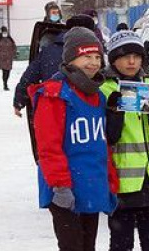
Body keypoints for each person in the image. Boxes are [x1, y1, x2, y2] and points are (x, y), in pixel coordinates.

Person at [30, 26, 119, 251]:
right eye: (85, 57)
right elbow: (48, 146)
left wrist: (110, 183)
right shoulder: (54, 93)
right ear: (70, 59)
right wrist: (59, 185)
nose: (93, 62)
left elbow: (102, 146)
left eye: (96, 56)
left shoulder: (97, 95)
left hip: (91, 186)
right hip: (64, 189)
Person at [100, 30, 149, 251]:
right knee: (120, 247)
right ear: (113, 59)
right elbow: (108, 137)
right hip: (123, 184)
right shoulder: (104, 89)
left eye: (136, 56)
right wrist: (112, 114)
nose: (131, 62)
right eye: (125, 56)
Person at [16, 15, 97, 162]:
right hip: (82, 117)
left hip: (54, 111)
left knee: (53, 150)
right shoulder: (93, 53)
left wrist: (18, 101)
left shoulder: (49, 49)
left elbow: (29, 77)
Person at [0, 26, 17, 91]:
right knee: (4, 72)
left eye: (5, 32)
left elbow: (14, 47)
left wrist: (13, 54)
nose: (5, 33)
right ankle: (5, 84)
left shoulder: (10, 39)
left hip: (9, 59)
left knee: (8, 72)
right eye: (4, 32)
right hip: (2, 59)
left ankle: (6, 82)